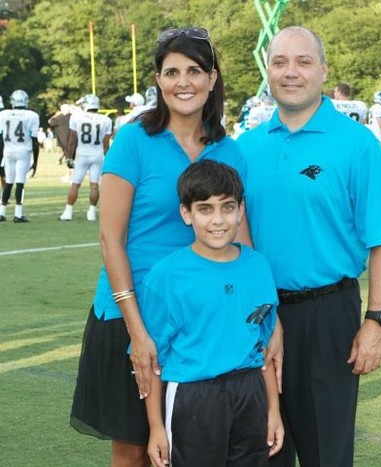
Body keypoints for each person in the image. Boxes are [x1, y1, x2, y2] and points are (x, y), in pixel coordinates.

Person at [69, 27, 254, 467]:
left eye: (194, 70)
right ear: (158, 80)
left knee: (192, 446)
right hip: (128, 316)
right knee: (134, 451)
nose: (183, 82)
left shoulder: (230, 152)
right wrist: (137, 330)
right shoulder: (134, 140)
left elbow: (242, 248)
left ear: (212, 79)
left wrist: (263, 321)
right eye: (171, 72)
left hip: (200, 321)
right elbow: (110, 240)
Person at [236, 26, 381, 467]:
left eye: (303, 62)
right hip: (255, 314)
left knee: (324, 454)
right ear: (267, 71)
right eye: (280, 62)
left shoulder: (356, 144)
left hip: (327, 315)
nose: (291, 72)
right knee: (260, 450)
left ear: (324, 70)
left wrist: (377, 321)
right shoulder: (243, 149)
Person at [139, 160, 283, 467]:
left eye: (227, 207)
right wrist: (155, 428)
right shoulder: (166, 276)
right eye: (205, 209)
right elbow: (152, 363)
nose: (218, 220)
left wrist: (273, 409)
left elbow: (265, 347)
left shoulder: (257, 266)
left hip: (250, 393)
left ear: (240, 210)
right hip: (194, 398)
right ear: (186, 213)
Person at [58, 94, 113, 222]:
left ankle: (68, 212)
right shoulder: (106, 120)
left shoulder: (76, 117)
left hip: (82, 154)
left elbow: (72, 141)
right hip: (98, 155)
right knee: (94, 185)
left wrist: (69, 158)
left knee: (75, 184)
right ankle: (92, 212)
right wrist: (108, 159)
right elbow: (106, 145)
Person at [0, 90, 40, 223]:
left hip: (8, 151)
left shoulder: (3, 114)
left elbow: (0, 138)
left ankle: (2, 212)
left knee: (8, 182)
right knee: (20, 182)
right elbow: (34, 141)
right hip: (23, 152)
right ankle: (18, 214)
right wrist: (36, 161)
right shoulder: (32, 115)